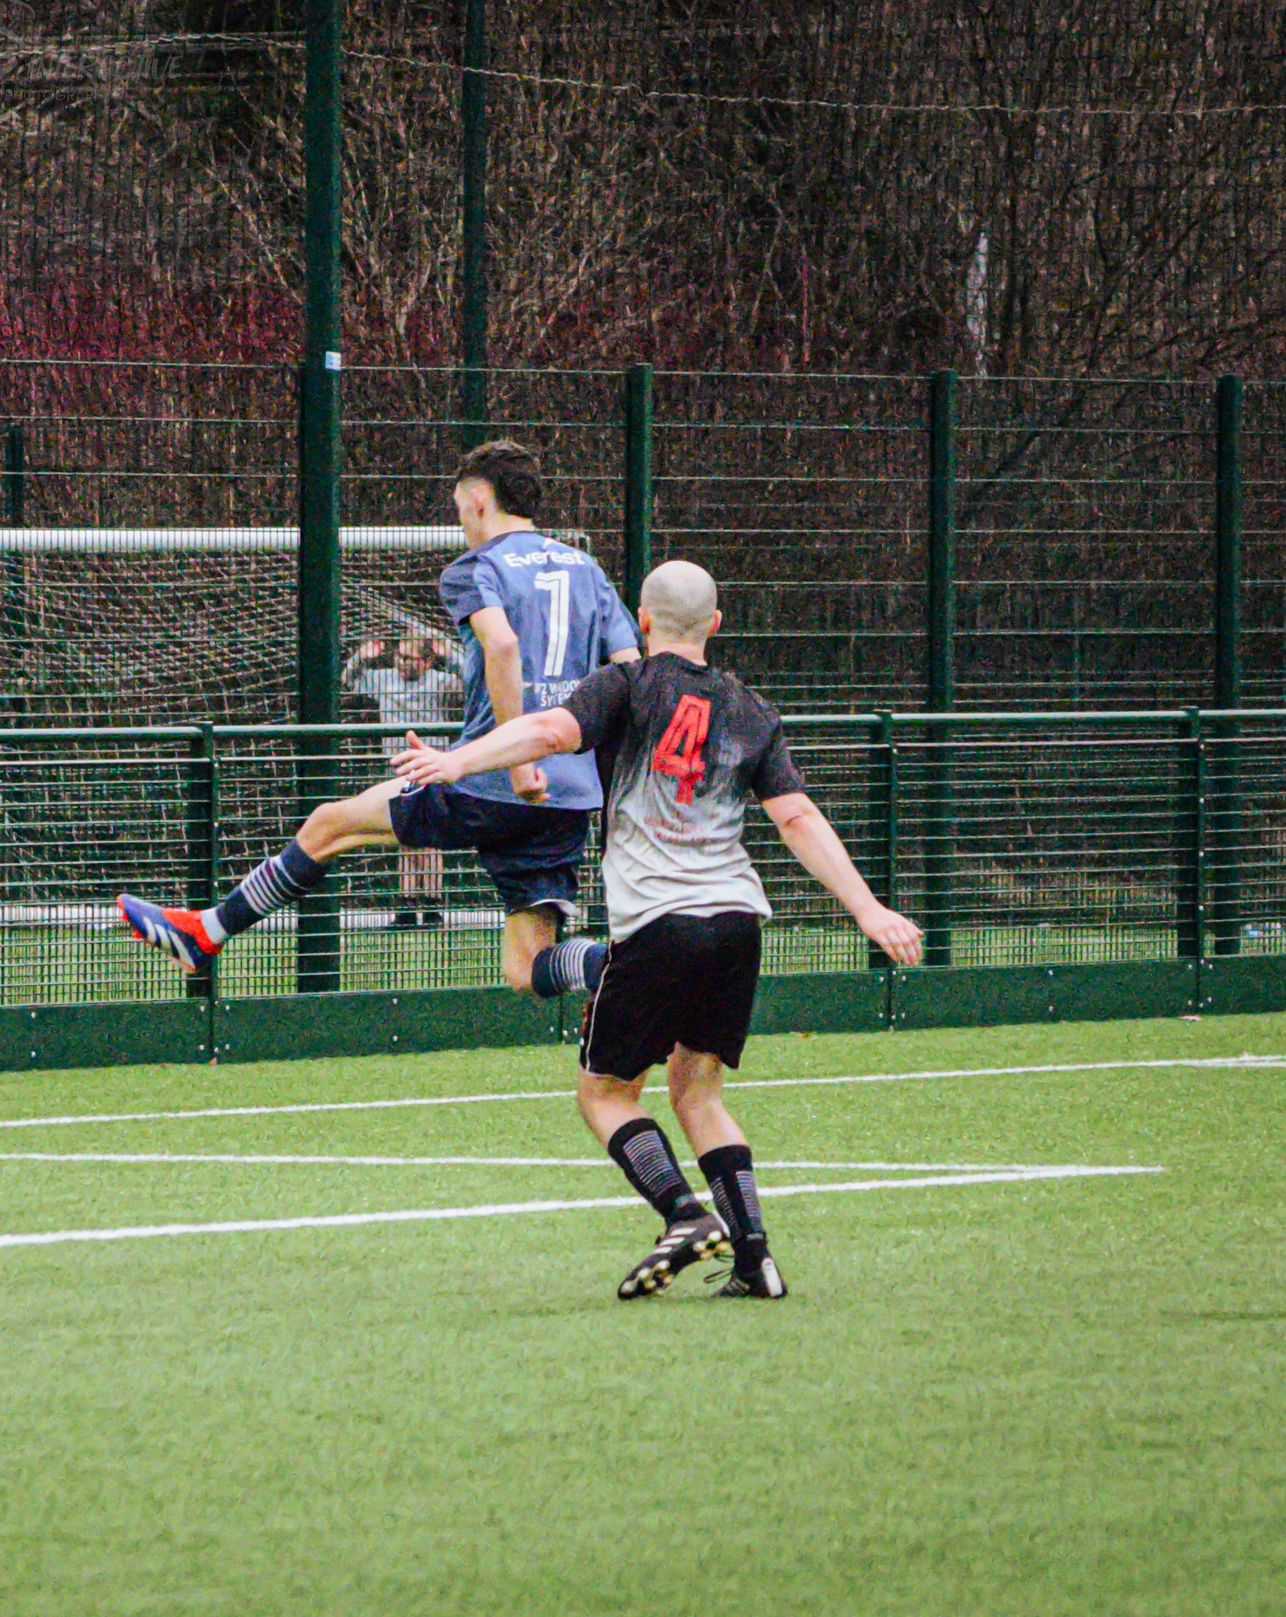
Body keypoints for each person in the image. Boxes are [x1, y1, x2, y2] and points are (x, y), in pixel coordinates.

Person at [390, 560, 924, 1299]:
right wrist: (869, 909)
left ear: (641, 621)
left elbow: (546, 729)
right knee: (698, 1095)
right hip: (738, 921)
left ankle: (683, 1215)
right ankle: (755, 1261)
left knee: (605, 1094)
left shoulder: (627, 684)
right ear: (716, 623)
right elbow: (797, 818)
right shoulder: (751, 710)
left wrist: (453, 762)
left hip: (659, 925)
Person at [120, 439, 640, 999]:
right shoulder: (587, 569)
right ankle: (623, 965)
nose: (461, 519)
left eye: (460, 506)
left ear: (481, 500)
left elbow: (504, 645)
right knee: (529, 970)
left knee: (327, 825)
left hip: (491, 780)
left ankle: (207, 932)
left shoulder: (475, 568)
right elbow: (632, 672)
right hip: (569, 796)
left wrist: (520, 764)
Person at [342, 632, 457, 928]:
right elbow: (348, 679)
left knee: (430, 840)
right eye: (400, 658)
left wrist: (450, 655)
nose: (404, 665)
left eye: (412, 659)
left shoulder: (441, 682)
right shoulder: (382, 679)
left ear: (428, 661)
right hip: (399, 771)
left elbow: (472, 682)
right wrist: (361, 657)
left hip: (431, 769)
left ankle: (432, 907)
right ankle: (406, 906)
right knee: (404, 838)